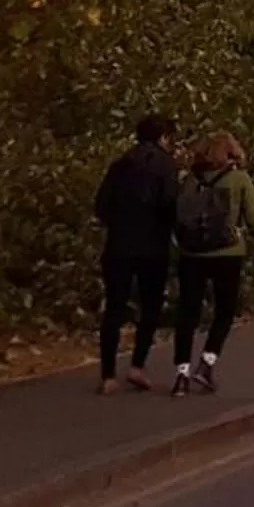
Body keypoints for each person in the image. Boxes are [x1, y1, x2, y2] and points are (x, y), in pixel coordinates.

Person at [170, 132, 254, 396]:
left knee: (187, 313)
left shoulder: (188, 180)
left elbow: (176, 215)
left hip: (192, 254)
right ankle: (207, 362)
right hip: (227, 252)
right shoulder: (239, 179)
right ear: (232, 152)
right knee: (224, 310)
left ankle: (181, 374)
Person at [93, 114, 178, 393]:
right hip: (153, 246)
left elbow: (101, 206)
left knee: (114, 308)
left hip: (119, 244)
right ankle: (137, 365)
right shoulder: (166, 165)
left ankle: (108, 375)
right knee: (150, 306)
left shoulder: (120, 165)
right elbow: (170, 205)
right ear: (164, 137)